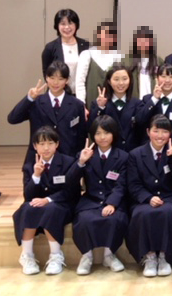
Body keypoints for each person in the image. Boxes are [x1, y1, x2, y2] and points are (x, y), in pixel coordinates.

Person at [126, 115, 172, 277]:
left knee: (168, 212)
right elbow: (133, 184)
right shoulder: (135, 154)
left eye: (164, 131)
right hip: (144, 199)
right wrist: (148, 198)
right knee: (142, 214)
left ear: (170, 133)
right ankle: (150, 256)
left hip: (171, 197)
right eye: (156, 131)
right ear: (148, 132)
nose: (160, 136)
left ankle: (165, 257)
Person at [67, 115, 129, 275]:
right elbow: (70, 180)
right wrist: (81, 162)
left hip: (114, 200)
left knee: (114, 219)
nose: (102, 137)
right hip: (91, 199)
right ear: (92, 135)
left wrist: (112, 203)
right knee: (83, 220)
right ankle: (86, 256)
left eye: (106, 133)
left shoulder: (123, 156)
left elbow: (122, 184)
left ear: (114, 134)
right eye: (98, 133)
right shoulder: (86, 154)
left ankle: (109, 255)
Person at [13, 126, 78, 275]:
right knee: (28, 208)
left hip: (61, 204)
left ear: (57, 144)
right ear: (35, 146)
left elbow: (71, 192)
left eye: (50, 143)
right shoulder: (29, 165)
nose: (46, 148)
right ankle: (27, 256)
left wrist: (48, 199)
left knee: (50, 209)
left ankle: (56, 256)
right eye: (41, 144)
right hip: (37, 204)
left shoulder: (68, 162)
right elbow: (28, 195)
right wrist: (36, 175)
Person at [8, 60, 87, 164]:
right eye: (52, 78)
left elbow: (81, 136)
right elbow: (12, 119)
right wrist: (29, 98)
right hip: (39, 160)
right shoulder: (36, 102)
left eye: (60, 79)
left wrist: (77, 161)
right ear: (46, 78)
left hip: (68, 160)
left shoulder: (77, 104)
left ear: (67, 80)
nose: (55, 83)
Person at [88, 63, 144, 152]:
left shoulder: (137, 104)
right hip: (108, 153)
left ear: (130, 80)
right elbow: (91, 128)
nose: (121, 83)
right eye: (116, 79)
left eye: (124, 79)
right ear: (109, 81)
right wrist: (100, 107)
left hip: (131, 153)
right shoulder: (98, 104)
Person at [136, 63, 172, 146]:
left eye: (171, 77)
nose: (167, 80)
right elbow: (139, 121)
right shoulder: (147, 99)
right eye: (163, 76)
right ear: (157, 78)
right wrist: (154, 99)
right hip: (150, 148)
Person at [75, 20, 123, 108]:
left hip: (112, 104)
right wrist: (81, 105)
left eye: (111, 35)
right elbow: (80, 83)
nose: (107, 38)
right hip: (91, 102)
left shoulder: (118, 56)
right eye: (104, 34)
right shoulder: (87, 54)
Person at [41, 8, 90, 92]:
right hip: (59, 94)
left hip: (81, 94)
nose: (67, 27)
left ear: (76, 25)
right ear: (57, 26)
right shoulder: (50, 47)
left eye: (70, 23)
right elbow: (47, 74)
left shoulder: (86, 46)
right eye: (63, 24)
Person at [124, 26, 163, 99]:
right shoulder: (126, 60)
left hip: (154, 100)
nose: (143, 43)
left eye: (146, 41)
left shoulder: (158, 61)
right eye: (140, 40)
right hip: (134, 100)